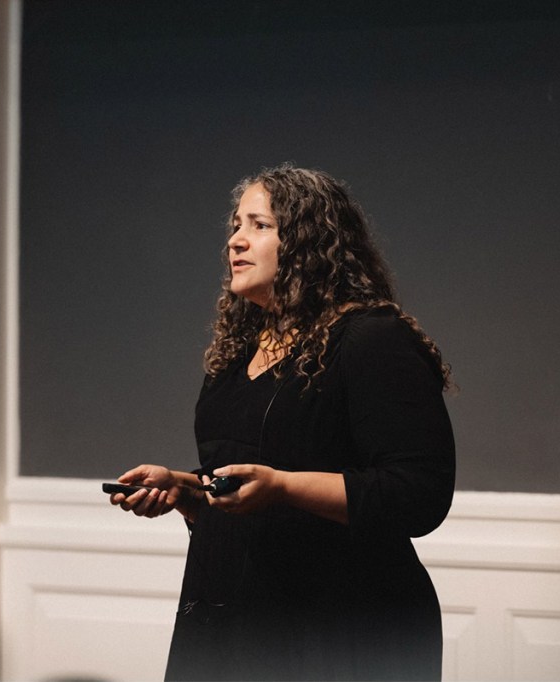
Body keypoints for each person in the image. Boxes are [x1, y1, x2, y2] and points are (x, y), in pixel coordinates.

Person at [108, 164, 456, 681]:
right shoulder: (236, 354)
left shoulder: (370, 340)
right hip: (231, 618)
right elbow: (249, 480)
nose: (236, 242)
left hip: (341, 627)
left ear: (309, 243)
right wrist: (190, 491)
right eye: (235, 226)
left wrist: (284, 488)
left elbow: (418, 495)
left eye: (259, 225)